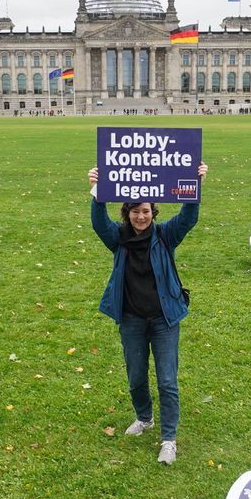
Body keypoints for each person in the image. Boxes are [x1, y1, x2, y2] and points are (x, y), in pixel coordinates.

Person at [88, 163, 208, 465]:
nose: (141, 217)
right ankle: (144, 417)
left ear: (154, 212)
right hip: (131, 319)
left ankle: (169, 439)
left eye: (146, 212)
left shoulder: (166, 235)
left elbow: (189, 217)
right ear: (126, 213)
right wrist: (97, 191)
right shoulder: (118, 238)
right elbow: (98, 222)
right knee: (136, 376)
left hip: (164, 319)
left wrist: (194, 185)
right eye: (135, 212)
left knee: (167, 380)